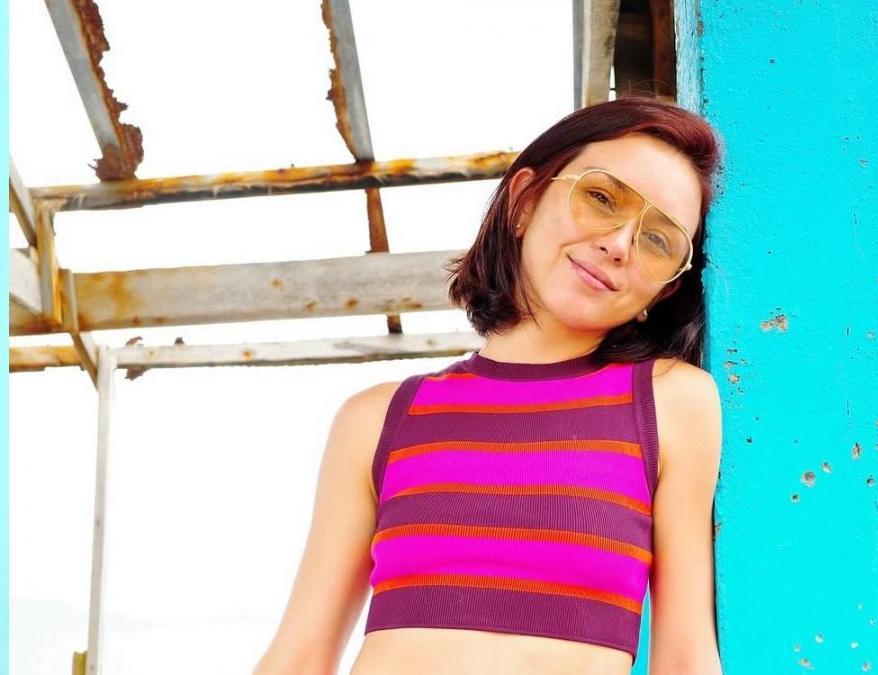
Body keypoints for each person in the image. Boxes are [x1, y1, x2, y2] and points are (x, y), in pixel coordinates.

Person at [253, 96, 725, 675]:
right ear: (524, 201)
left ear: (666, 289)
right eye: (602, 198)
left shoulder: (670, 402)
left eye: (659, 240)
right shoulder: (378, 419)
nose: (620, 244)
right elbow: (298, 657)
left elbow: (685, 658)